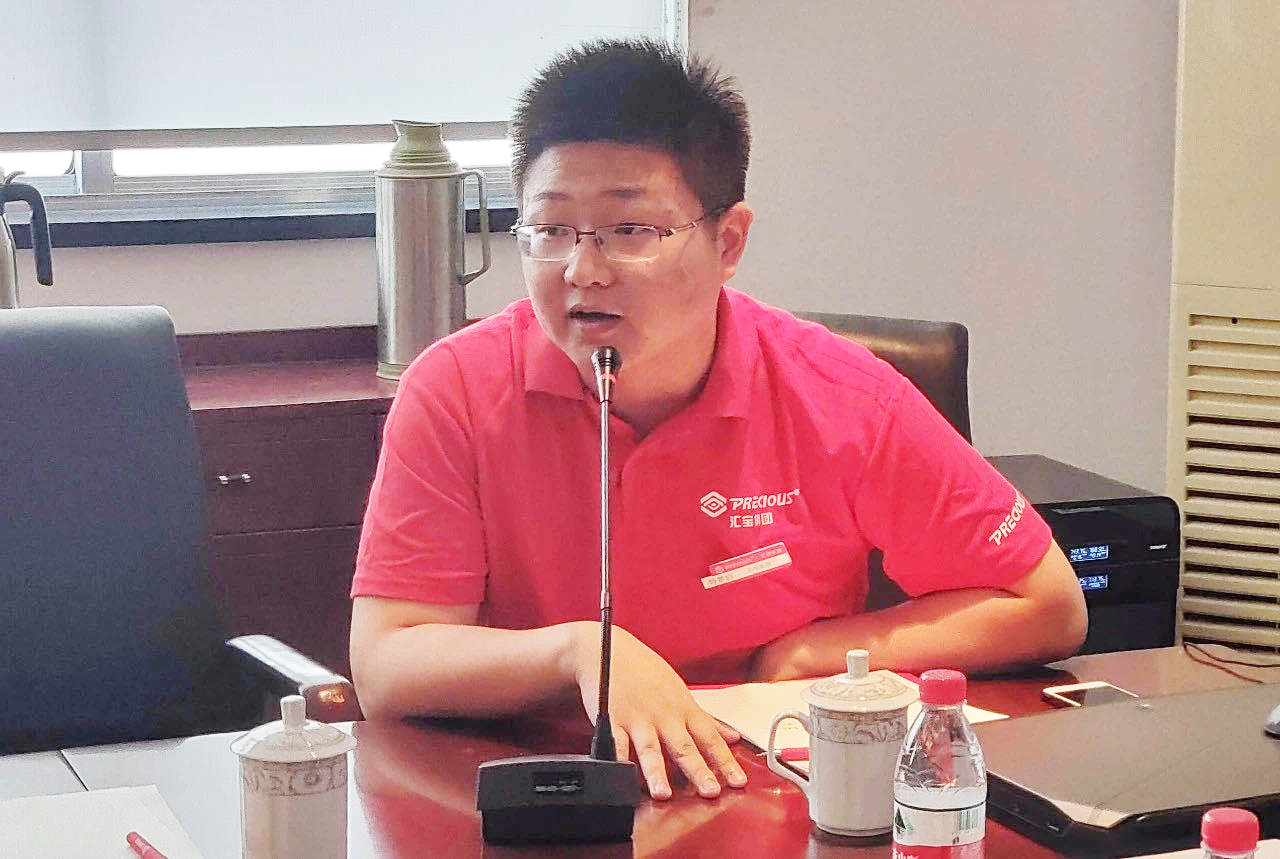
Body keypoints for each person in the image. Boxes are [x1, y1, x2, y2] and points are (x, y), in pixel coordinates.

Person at [349, 38, 1087, 803]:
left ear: (727, 241)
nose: (582, 270)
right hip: (545, 791)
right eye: (552, 230)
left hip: (768, 789)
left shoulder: (840, 396)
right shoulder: (457, 390)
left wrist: (807, 655)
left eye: (630, 231)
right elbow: (385, 664)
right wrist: (579, 653)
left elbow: (1047, 604)